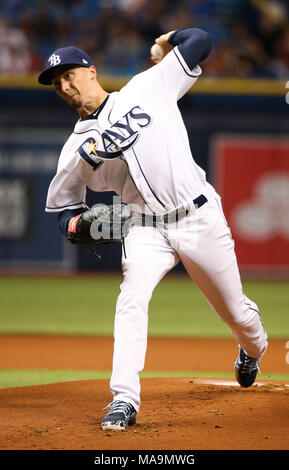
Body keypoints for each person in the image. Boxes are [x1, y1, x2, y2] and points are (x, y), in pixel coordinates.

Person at [38, 27, 268, 431]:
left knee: (235, 312)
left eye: (70, 73)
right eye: (57, 82)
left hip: (198, 216)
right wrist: (79, 224)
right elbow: (64, 210)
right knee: (131, 300)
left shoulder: (148, 86)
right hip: (143, 226)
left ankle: (253, 348)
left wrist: (166, 41)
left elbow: (201, 42)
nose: (64, 84)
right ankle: (123, 398)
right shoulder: (74, 150)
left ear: (92, 71)